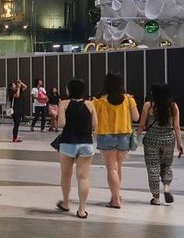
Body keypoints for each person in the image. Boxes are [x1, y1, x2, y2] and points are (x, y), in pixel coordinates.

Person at [94, 73, 139, 209]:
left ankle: (115, 199)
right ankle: (117, 195)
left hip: (106, 135)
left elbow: (93, 120)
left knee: (111, 168)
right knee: (118, 167)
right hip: (124, 135)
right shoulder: (128, 99)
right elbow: (136, 117)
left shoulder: (99, 100)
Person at [55, 78, 97, 219]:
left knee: (66, 175)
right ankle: (82, 209)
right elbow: (95, 124)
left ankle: (66, 203)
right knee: (83, 177)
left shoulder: (64, 103)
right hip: (86, 143)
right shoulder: (90, 104)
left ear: (69, 90)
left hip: (68, 142)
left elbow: (61, 124)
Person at [137, 83, 184, 206]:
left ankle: (156, 197)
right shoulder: (173, 106)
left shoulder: (149, 106)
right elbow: (177, 127)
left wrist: (134, 138)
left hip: (152, 141)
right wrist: (180, 144)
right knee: (167, 166)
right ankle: (167, 187)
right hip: (169, 141)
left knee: (153, 168)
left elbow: (142, 125)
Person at [10, 78, 27, 143]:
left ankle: (15, 137)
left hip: (19, 109)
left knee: (17, 124)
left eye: (15, 85)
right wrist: (19, 88)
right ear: (11, 87)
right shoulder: (11, 93)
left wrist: (20, 82)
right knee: (16, 124)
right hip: (15, 110)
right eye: (14, 85)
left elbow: (25, 87)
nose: (15, 86)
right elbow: (17, 95)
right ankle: (14, 138)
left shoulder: (18, 90)